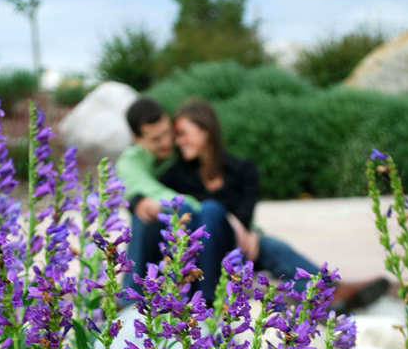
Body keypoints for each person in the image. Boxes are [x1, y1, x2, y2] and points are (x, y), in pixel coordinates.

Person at [117, 97, 389, 310]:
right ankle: (207, 300)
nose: (175, 141)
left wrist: (249, 230)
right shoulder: (175, 174)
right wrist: (136, 201)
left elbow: (245, 218)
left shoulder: (243, 170)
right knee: (212, 210)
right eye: (172, 135)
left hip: (236, 247)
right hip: (199, 259)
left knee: (271, 245)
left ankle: (328, 290)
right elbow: (154, 197)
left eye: (181, 133)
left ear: (207, 130)